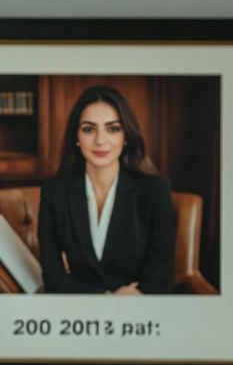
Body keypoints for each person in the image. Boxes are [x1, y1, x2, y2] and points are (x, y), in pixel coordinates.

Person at [36, 84, 176, 294]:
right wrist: (107, 299)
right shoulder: (54, 192)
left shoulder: (155, 190)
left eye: (113, 129)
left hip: (138, 312)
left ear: (125, 136)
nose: (100, 140)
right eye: (89, 129)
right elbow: (52, 277)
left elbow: (161, 278)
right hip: (77, 312)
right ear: (76, 137)